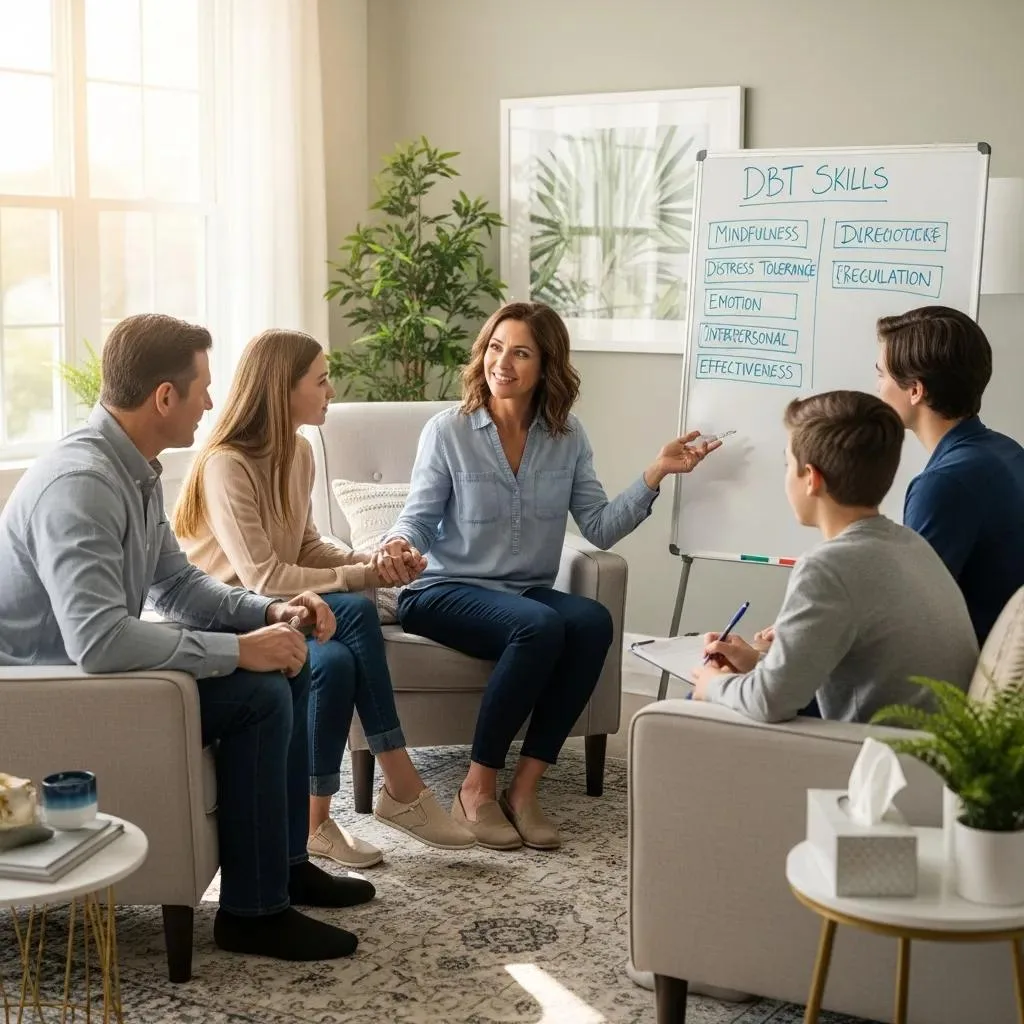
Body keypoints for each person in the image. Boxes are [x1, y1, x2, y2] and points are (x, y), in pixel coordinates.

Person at [0, 314, 375, 963]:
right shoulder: (82, 485)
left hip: (94, 680)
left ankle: (283, 868)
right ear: (164, 398)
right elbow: (99, 643)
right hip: (50, 699)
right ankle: (253, 915)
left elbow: (176, 587)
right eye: (201, 386)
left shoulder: (133, 469)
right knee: (259, 690)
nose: (210, 400)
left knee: (288, 661)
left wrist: (270, 615)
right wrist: (236, 650)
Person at [377, 300, 721, 852]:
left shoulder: (567, 436)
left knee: (589, 621)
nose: (502, 363)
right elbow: (418, 518)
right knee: (539, 626)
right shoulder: (449, 431)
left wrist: (657, 472)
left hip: (521, 592)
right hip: (442, 590)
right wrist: (397, 544)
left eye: (520, 353)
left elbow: (601, 527)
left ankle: (524, 790)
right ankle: (476, 788)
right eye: (495, 347)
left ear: (546, 366)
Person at [173, 329, 475, 865]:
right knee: (356, 606)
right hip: (232, 617)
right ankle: (402, 787)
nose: (331, 390)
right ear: (282, 389)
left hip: (290, 613)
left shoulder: (300, 451)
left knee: (334, 665)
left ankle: (316, 823)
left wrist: (374, 562)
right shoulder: (227, 463)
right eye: (321, 379)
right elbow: (262, 576)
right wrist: (364, 580)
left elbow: (307, 545)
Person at [691, 390, 978, 723]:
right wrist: (757, 663)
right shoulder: (911, 545)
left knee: (698, 707)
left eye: (789, 464)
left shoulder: (827, 568)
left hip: (878, 760)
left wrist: (715, 684)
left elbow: (770, 703)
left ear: (811, 479)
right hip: (939, 753)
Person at [875, 305, 1024, 644]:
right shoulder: (1007, 451)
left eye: (881, 374)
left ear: (915, 390)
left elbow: (906, 621)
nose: (878, 387)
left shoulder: (944, 484)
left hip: (963, 685)